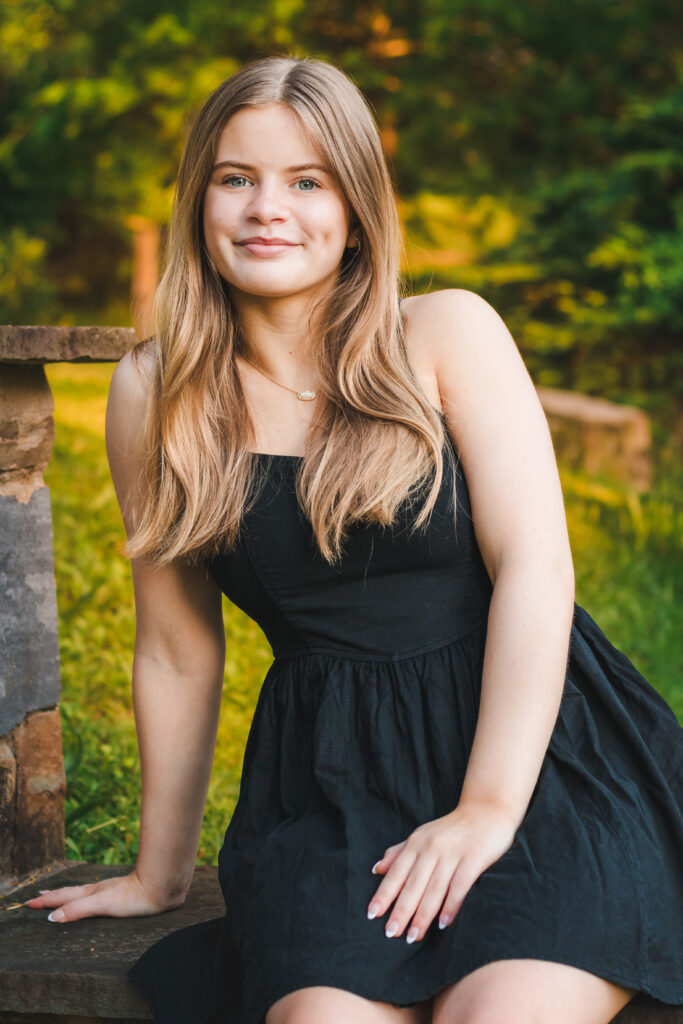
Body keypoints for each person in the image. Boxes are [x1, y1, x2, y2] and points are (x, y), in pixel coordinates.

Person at [25, 54, 682, 1024]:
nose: (265, 208)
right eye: (235, 177)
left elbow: (535, 571)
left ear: (356, 204)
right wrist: (158, 872)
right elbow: (175, 647)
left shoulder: (445, 333)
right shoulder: (154, 389)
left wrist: (486, 811)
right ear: (198, 199)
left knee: (497, 1014)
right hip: (331, 786)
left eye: (306, 180)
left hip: (534, 758)